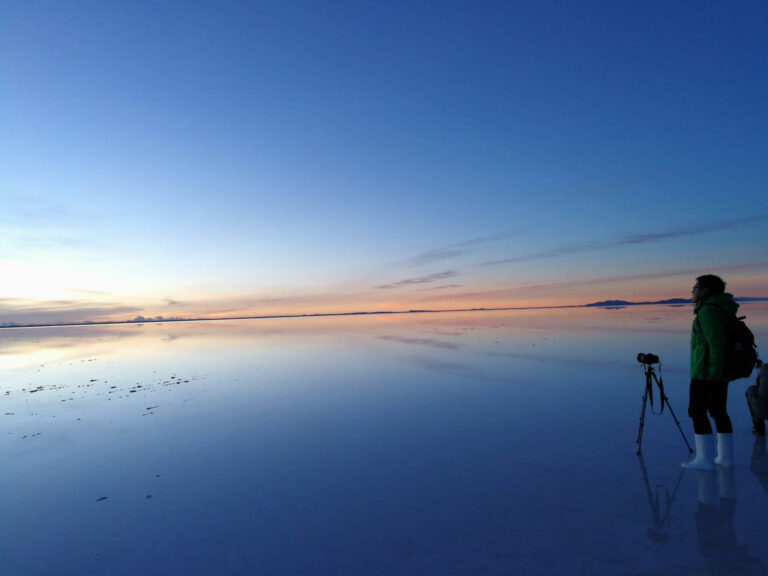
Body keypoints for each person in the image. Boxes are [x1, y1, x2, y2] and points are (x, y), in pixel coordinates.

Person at [682, 274, 737, 470]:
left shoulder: (708, 312)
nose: (692, 291)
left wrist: (713, 371)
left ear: (705, 290)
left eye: (695, 288)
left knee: (697, 411)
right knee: (718, 411)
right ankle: (725, 457)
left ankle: (704, 459)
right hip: (717, 372)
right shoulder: (719, 309)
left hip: (706, 373)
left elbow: (716, 343)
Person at [746, 362, 768, 436]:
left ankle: (759, 427)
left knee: (751, 390)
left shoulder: (764, 369)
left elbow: (758, 385)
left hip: (763, 410)